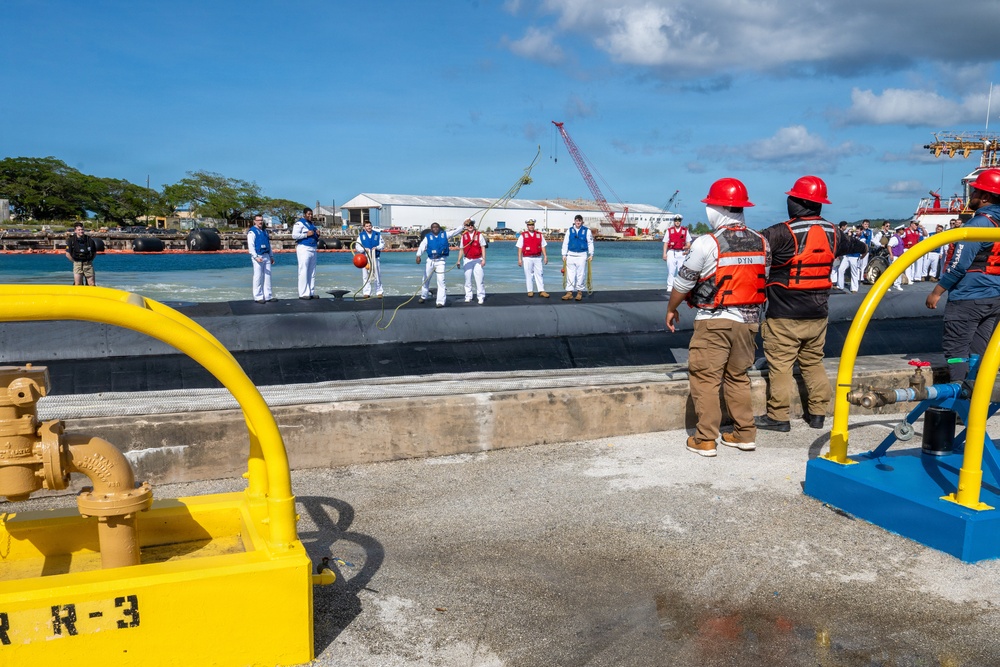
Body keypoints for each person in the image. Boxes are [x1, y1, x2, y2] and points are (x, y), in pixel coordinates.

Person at [755, 175, 868, 432]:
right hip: (818, 313)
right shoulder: (834, 233)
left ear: (797, 202)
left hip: (784, 313)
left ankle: (778, 417)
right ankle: (818, 414)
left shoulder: (780, 232)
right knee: (813, 361)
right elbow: (858, 246)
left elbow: (753, 249)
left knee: (781, 366)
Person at [665, 177, 768, 457]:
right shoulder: (762, 242)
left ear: (718, 209)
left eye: (710, 204)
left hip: (714, 321)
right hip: (749, 323)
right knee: (737, 377)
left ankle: (705, 439)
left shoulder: (705, 243)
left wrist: (671, 309)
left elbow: (683, 283)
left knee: (706, 379)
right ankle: (744, 434)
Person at [926, 168, 1000, 382]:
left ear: (985, 197)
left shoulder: (977, 225)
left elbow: (958, 265)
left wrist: (936, 292)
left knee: (957, 352)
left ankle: (960, 401)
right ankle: (975, 405)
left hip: (968, 298)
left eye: (975, 192)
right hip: (994, 297)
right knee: (979, 351)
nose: (972, 196)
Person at [416, 222, 461, 307]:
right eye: (433, 227)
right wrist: (418, 255)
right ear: (431, 229)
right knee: (425, 279)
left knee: (441, 281)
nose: (435, 228)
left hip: (441, 261)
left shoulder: (445, 235)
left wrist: (463, 226)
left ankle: (440, 301)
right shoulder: (428, 237)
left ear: (439, 228)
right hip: (430, 261)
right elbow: (422, 246)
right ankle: (423, 296)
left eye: (437, 227)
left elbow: (455, 232)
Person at [561, 214, 594, 301]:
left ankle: (579, 292)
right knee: (570, 274)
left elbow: (590, 243)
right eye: (576, 221)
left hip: (582, 255)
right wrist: (564, 254)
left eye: (579, 221)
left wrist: (591, 254)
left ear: (582, 222)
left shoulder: (587, 231)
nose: (578, 222)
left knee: (581, 274)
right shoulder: (569, 230)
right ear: (574, 221)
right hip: (571, 254)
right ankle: (569, 292)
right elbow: (565, 243)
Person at [516, 219, 549, 297]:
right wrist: (519, 259)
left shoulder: (539, 235)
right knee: (528, 274)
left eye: (532, 225)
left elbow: (543, 246)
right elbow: (520, 248)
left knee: (539, 274)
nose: (531, 226)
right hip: (527, 257)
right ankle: (530, 290)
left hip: (537, 257)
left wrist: (545, 256)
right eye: (529, 225)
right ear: (527, 226)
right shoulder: (523, 235)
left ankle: (541, 290)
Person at [292, 207, 320, 299]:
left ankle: (311, 291)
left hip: (313, 248)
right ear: (304, 214)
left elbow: (314, 234)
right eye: (308, 214)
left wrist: (317, 233)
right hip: (304, 248)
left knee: (312, 271)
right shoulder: (299, 224)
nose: (310, 216)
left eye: (311, 214)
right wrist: (305, 234)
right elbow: (294, 235)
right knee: (303, 270)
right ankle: (303, 293)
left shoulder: (312, 224)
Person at [457, 219, 487, 304]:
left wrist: (484, 259)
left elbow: (483, 247)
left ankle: (480, 296)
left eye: (472, 225)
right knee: (467, 279)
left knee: (479, 279)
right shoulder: (464, 236)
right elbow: (461, 249)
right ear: (466, 226)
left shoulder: (479, 235)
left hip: (478, 259)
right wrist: (458, 260)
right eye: (468, 225)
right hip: (467, 259)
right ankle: (468, 296)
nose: (470, 226)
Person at [247, 214, 274, 303]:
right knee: (258, 276)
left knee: (267, 276)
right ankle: (258, 296)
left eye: (261, 220)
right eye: (258, 220)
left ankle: (268, 295)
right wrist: (255, 257)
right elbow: (251, 245)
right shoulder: (252, 232)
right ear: (254, 221)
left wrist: (271, 256)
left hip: (266, 255)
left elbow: (269, 244)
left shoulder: (265, 231)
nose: (260, 222)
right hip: (258, 255)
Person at [354, 220, 385, 298]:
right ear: (364, 227)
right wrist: (364, 249)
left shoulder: (377, 235)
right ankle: (366, 292)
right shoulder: (361, 236)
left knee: (377, 275)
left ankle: (379, 292)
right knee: (366, 276)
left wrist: (377, 247)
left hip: (375, 257)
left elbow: (382, 244)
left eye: (370, 226)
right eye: (367, 226)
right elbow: (357, 247)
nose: (369, 227)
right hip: (365, 258)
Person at [662, 217, 691, 291]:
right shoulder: (669, 230)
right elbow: (665, 243)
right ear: (674, 221)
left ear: (681, 221)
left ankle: (679, 287)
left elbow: (689, 243)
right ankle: (670, 286)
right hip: (671, 252)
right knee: (671, 270)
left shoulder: (685, 231)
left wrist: (687, 250)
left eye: (679, 221)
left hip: (681, 253)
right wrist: (664, 254)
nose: (677, 222)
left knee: (681, 271)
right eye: (676, 220)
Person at [65, 221, 99, 286]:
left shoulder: (90, 240)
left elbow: (94, 253)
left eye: (82, 229)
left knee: (91, 284)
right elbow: (67, 254)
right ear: (75, 231)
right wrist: (74, 262)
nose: (81, 231)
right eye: (79, 230)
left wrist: (90, 260)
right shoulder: (71, 240)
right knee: (78, 283)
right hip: (77, 263)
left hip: (88, 264)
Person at [836, 223, 862, 292]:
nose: (856, 232)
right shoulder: (853, 236)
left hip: (855, 256)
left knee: (854, 272)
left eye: (858, 231)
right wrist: (849, 234)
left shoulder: (862, 238)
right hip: (847, 255)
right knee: (840, 269)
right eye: (856, 231)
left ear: (861, 231)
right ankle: (840, 286)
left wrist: (850, 237)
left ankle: (854, 288)